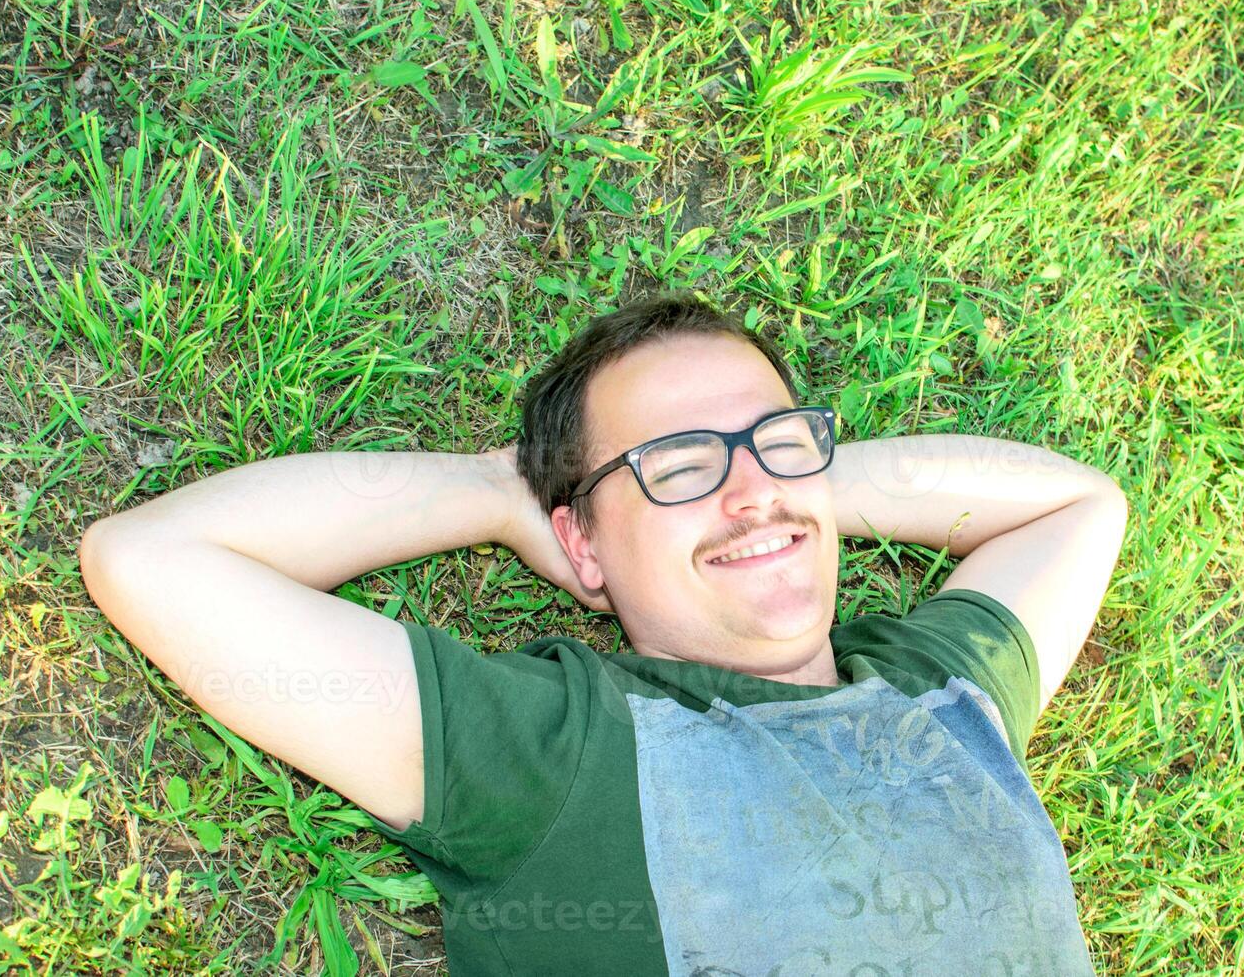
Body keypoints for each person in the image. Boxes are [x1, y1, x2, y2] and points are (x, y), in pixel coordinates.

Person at [79, 290, 1127, 975]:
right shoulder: (559, 750)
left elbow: (1081, 506)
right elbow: (154, 560)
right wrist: (495, 489)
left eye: (779, 438)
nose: (750, 489)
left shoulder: (944, 692)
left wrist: (782, 489)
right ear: (581, 545)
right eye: (676, 464)